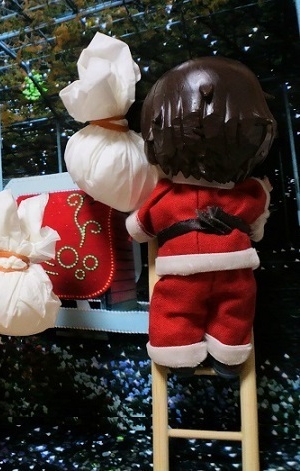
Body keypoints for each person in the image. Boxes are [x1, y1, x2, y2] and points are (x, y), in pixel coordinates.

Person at [126, 56, 277, 377]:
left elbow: (139, 227)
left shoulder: (166, 194)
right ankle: (229, 354)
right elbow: (257, 223)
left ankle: (177, 351)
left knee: (173, 308)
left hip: (181, 273)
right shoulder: (248, 192)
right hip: (235, 268)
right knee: (235, 310)